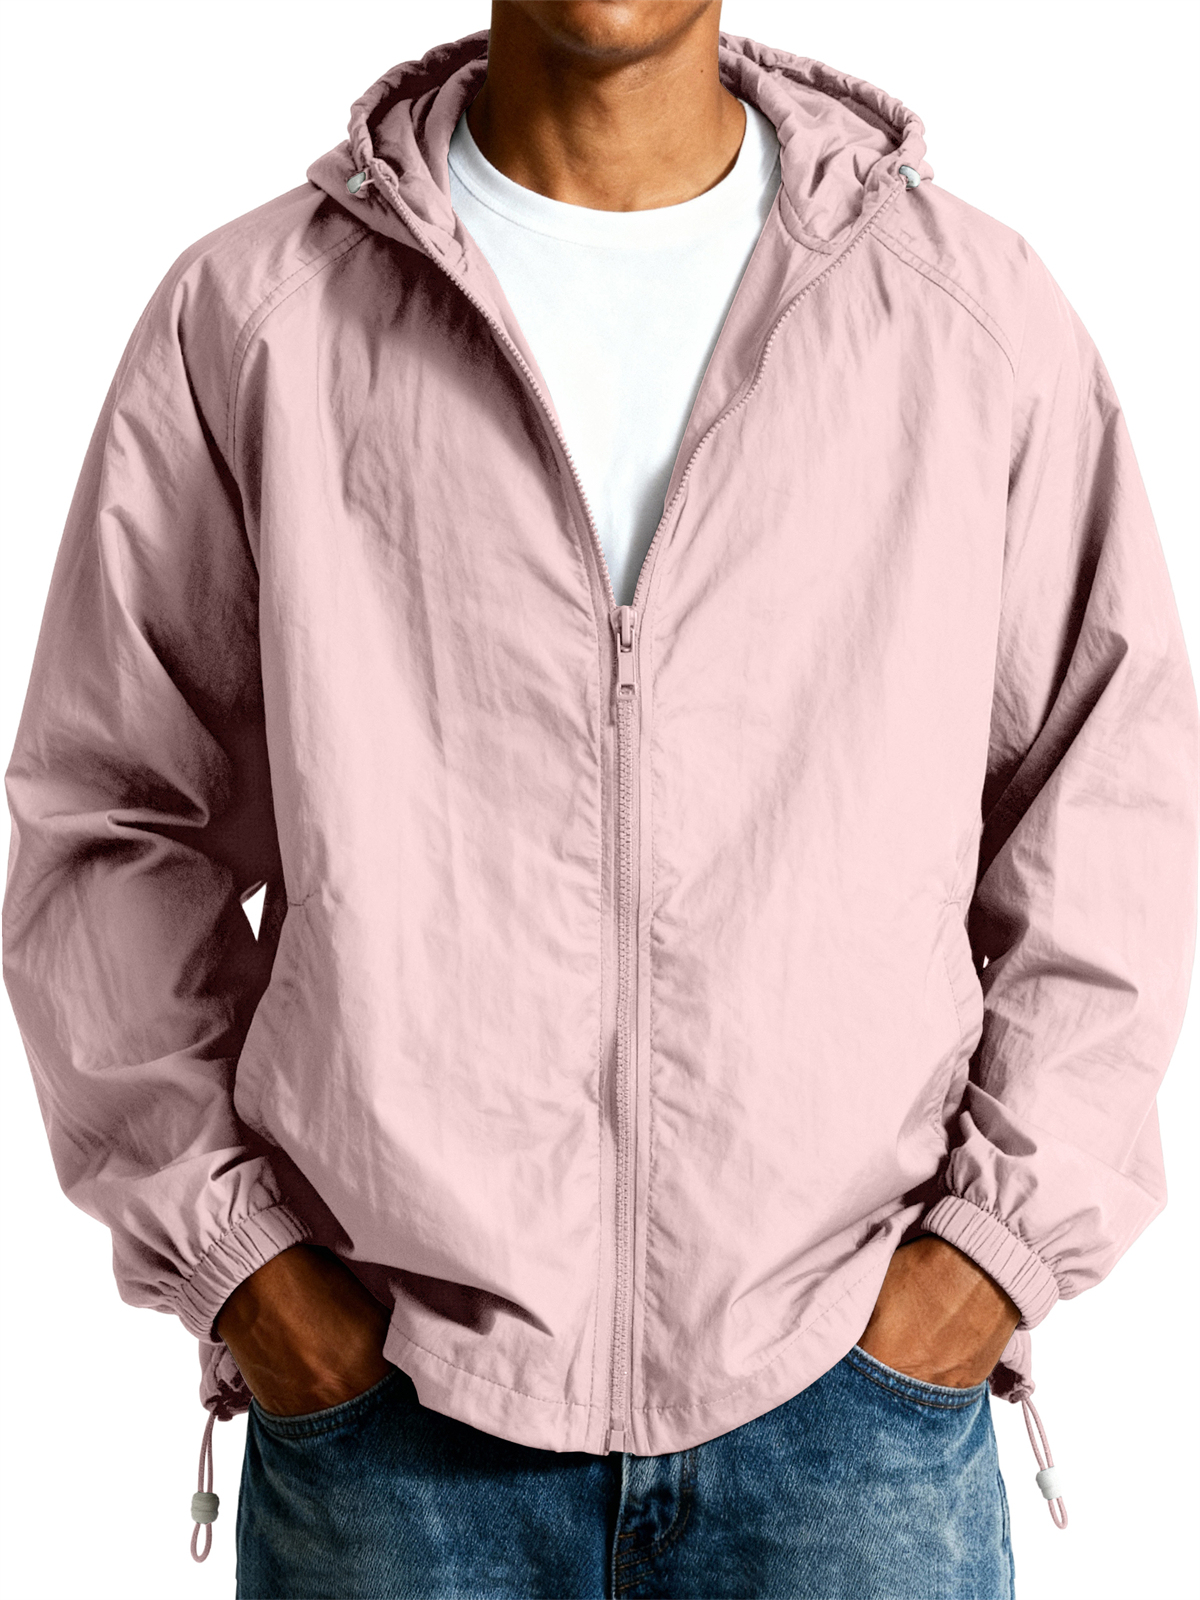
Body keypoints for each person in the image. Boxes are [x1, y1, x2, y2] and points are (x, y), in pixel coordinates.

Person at [3, 2, 1196, 1596]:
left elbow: (1112, 796)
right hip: (392, 1428)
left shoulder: (964, 319)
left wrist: (986, 1262)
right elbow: (112, 819)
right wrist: (248, 1273)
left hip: (850, 1429)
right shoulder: (261, 319)